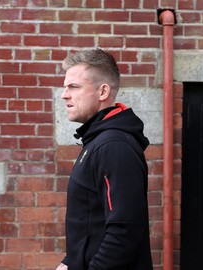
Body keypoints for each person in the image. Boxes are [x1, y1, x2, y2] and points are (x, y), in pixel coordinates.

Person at [56, 48, 153, 270]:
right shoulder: (97, 141)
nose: (64, 94)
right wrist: (69, 262)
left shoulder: (114, 147)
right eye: (65, 87)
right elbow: (92, 222)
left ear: (102, 92)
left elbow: (124, 232)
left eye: (74, 87)